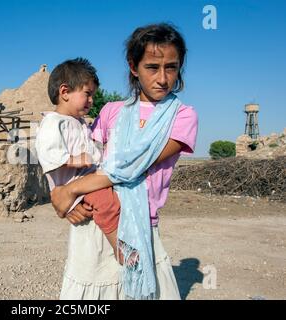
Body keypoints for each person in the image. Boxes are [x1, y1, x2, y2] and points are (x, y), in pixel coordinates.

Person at [50, 23, 198, 300]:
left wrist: (70, 190)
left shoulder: (183, 116)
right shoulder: (111, 111)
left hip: (141, 226)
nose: (163, 78)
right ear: (134, 67)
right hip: (95, 223)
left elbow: (130, 166)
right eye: (152, 67)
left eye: (172, 67)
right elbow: (87, 161)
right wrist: (66, 199)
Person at [35, 57, 125, 265]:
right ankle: (120, 249)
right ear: (65, 92)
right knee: (107, 203)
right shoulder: (52, 122)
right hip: (75, 184)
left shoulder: (78, 122)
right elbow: (47, 151)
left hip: (86, 180)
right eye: (88, 94)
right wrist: (72, 159)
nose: (92, 100)